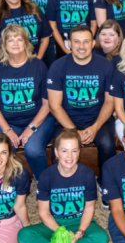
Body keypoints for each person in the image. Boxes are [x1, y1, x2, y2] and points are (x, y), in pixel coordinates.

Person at [20, 130, 106, 243]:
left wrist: (78, 233)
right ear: (56, 152)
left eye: (74, 150)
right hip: (55, 224)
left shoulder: (87, 174)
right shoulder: (46, 176)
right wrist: (63, 233)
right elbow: (44, 212)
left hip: (80, 222)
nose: (69, 156)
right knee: (24, 234)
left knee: (102, 240)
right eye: (64, 151)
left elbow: (89, 209)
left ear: (79, 152)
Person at [0, 24, 54, 175]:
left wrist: (31, 128)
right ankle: (4, 181)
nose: (15, 43)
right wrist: (7, 130)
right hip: (6, 122)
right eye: (10, 40)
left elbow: (47, 104)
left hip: (37, 120)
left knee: (33, 149)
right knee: (1, 150)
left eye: (19, 39)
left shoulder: (39, 66)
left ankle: (42, 179)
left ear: (26, 43)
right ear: (4, 45)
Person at [46, 25, 118, 164]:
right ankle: (58, 184)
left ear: (92, 43)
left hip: (97, 118)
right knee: (59, 148)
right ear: (69, 44)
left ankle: (105, 183)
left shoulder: (106, 66)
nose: (81, 46)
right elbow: (54, 106)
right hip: (67, 119)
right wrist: (73, 130)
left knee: (108, 145)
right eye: (77, 41)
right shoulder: (57, 67)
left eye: (86, 41)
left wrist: (95, 127)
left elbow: (110, 102)